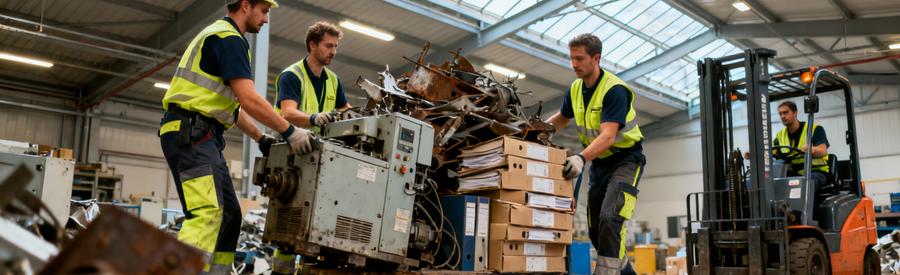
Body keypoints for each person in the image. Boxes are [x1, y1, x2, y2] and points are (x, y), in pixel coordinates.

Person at [157, 0, 312, 273]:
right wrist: (289, 131)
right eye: (264, 11)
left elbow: (232, 105)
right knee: (207, 213)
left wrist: (261, 138)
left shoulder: (220, 35)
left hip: (195, 132)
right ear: (244, 5)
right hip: (193, 133)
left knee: (230, 216)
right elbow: (249, 99)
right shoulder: (229, 39)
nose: (265, 19)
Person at [545, 33, 646, 275]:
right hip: (600, 165)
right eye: (571, 58)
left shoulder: (614, 90)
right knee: (595, 230)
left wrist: (581, 157)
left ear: (596, 58)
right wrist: (536, 132)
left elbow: (608, 135)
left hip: (625, 161)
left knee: (611, 219)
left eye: (579, 58)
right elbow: (561, 118)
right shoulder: (576, 89)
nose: (574, 64)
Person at [268, 21, 351, 275]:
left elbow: (345, 112)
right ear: (312, 45)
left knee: (317, 227)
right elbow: (288, 112)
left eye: (336, 46)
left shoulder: (333, 80)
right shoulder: (292, 75)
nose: (333, 51)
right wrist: (314, 118)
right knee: (288, 228)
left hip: (320, 158)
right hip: (292, 154)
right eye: (328, 45)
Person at [773, 100, 830, 185]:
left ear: (795, 113)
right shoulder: (780, 135)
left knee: (805, 185)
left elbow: (823, 150)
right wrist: (755, 155)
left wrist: (811, 149)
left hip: (816, 172)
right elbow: (770, 152)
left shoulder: (814, 129)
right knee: (773, 183)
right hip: (794, 174)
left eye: (785, 113)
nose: (782, 116)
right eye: (780, 114)